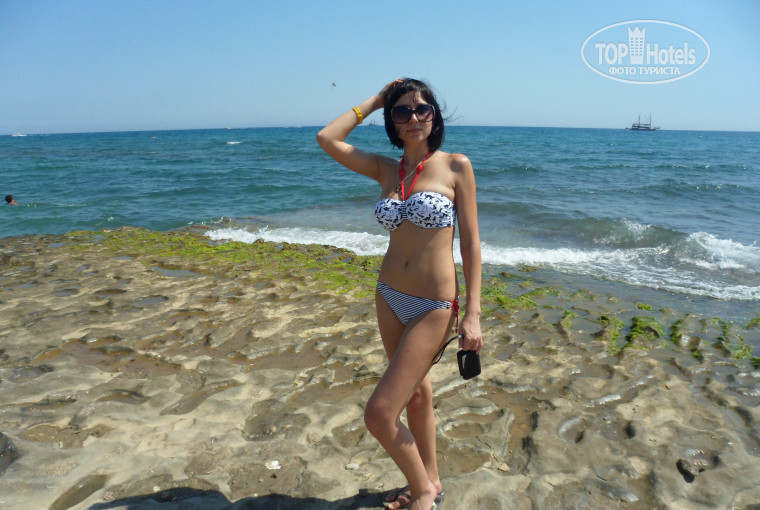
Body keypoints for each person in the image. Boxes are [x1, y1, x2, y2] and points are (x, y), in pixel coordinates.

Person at [317, 78, 482, 510]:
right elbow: (327, 138)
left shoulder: (456, 166)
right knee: (416, 394)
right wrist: (375, 101)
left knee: (379, 413)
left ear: (434, 116)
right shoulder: (386, 169)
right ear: (392, 121)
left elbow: (470, 243)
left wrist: (473, 313)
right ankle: (432, 481)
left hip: (434, 305)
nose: (413, 118)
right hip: (389, 295)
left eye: (422, 109)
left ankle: (422, 492)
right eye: (402, 111)